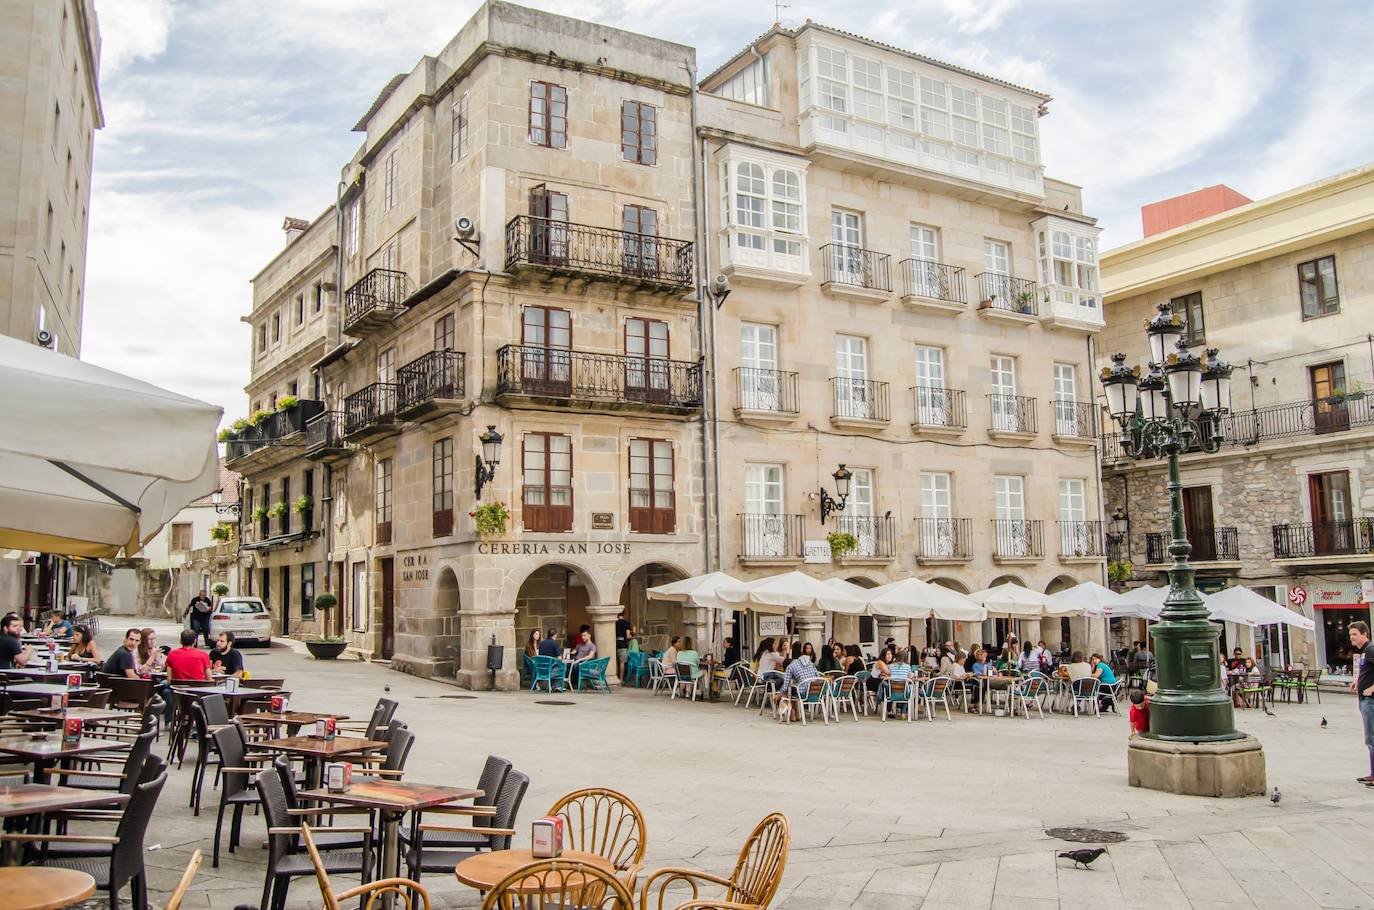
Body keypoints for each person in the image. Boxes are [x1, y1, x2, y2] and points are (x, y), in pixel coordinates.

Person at [1348, 622, 1374, 786]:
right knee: (1370, 738)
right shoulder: (1365, 651)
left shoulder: (1370, 649)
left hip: (1370, 701)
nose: (1352, 637)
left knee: (1371, 738)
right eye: (1350, 634)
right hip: (1364, 699)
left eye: (1355, 634)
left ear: (1365, 634)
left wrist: (1372, 688)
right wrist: (1357, 681)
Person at [773, 649, 820, 721]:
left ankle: (792, 712)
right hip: (816, 692)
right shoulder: (811, 664)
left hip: (802, 693)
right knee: (792, 690)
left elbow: (785, 685)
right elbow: (818, 677)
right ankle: (797, 713)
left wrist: (779, 694)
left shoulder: (790, 667)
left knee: (788, 691)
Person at [615, 612, 631, 681]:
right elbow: (628, 636)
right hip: (623, 645)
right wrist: (632, 636)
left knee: (615, 662)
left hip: (614, 644)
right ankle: (621, 679)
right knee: (622, 662)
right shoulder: (626, 623)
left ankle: (614, 676)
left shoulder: (614, 623)